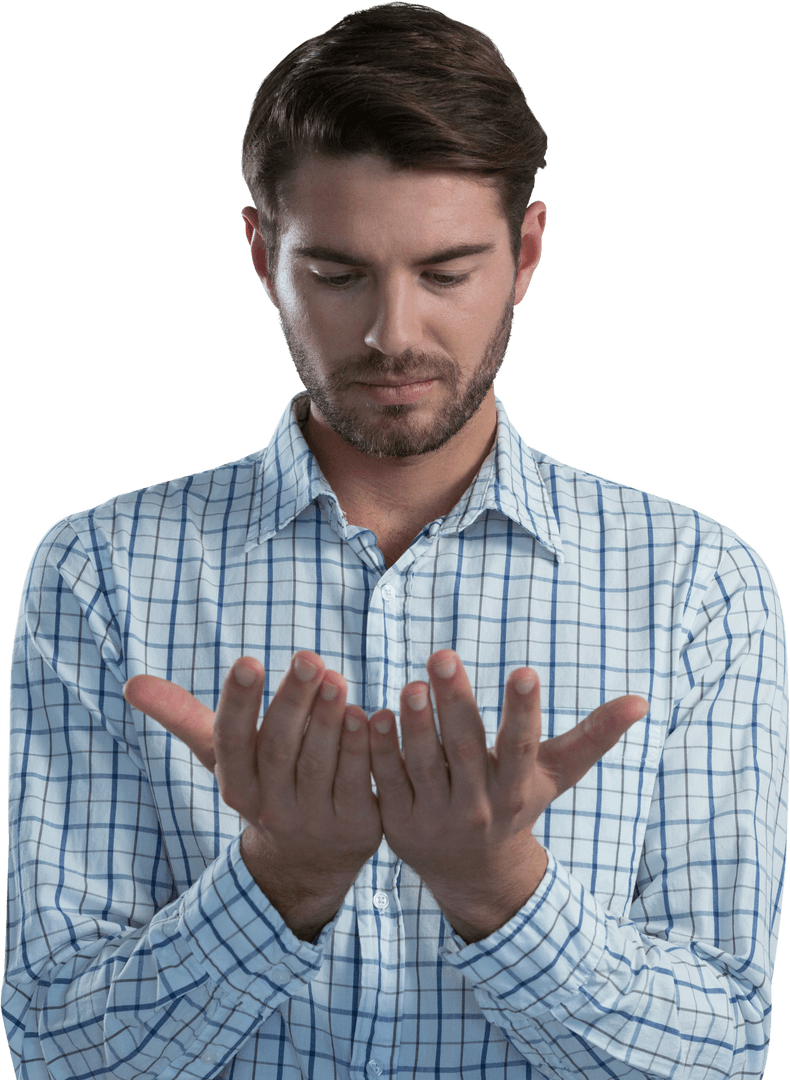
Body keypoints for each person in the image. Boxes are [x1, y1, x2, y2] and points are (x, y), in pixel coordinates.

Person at [3, 2, 787, 1077]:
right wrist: (278, 883)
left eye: (446, 272)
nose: (392, 333)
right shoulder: (100, 572)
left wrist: (499, 889)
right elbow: (47, 1048)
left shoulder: (699, 584)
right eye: (336, 274)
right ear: (258, 251)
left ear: (526, 252)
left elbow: (725, 1052)